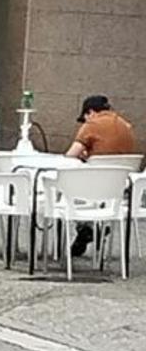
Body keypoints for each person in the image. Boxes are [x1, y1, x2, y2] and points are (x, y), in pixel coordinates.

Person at [65, 94, 137, 256]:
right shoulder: (126, 125)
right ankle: (91, 229)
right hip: (119, 190)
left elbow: (70, 156)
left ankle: (85, 227)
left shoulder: (91, 124)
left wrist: (84, 155)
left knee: (67, 185)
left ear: (89, 112)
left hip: (95, 185)